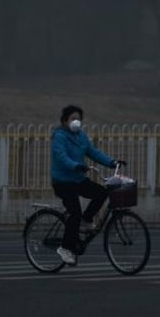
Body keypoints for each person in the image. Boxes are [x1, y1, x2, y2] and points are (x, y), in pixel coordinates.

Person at [51, 104, 120, 265]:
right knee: (74, 212)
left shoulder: (81, 136)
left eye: (79, 119)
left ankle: (87, 219)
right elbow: (61, 156)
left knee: (102, 192)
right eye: (73, 119)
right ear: (65, 121)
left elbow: (93, 152)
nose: (76, 122)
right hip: (63, 182)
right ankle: (65, 248)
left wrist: (111, 162)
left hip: (78, 179)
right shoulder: (59, 136)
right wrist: (76, 165)